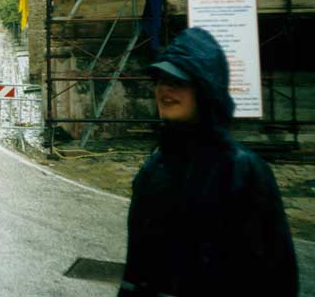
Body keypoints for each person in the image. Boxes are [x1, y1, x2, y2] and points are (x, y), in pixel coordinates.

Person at [118, 27, 298, 296]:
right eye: (160, 79)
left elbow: (277, 278)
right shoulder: (153, 170)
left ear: (205, 89)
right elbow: (136, 271)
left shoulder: (245, 172)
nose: (164, 89)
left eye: (178, 81)